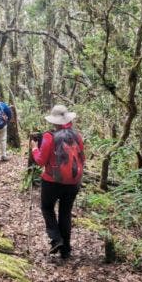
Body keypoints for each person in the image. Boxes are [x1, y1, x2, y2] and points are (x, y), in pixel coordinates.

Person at [32, 105, 85, 259]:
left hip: (52, 181)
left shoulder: (49, 136)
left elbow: (40, 161)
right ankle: (66, 250)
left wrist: (34, 149)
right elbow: (83, 158)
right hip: (73, 183)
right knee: (65, 213)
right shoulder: (77, 136)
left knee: (47, 207)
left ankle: (56, 239)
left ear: (54, 121)